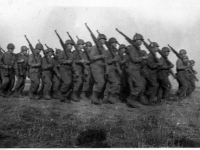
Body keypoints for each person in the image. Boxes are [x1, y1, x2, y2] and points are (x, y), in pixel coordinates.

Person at [124, 34, 148, 108]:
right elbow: (134, 59)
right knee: (139, 85)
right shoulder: (132, 48)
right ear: (135, 40)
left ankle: (134, 99)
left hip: (136, 69)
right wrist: (143, 58)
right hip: (132, 69)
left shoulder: (137, 48)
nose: (141, 42)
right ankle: (131, 99)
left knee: (141, 85)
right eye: (139, 40)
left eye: (141, 40)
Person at [89, 34, 107, 105]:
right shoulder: (95, 47)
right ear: (99, 40)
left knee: (100, 83)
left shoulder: (103, 48)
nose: (104, 40)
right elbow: (91, 57)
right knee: (100, 82)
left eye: (104, 39)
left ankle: (95, 98)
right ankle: (94, 98)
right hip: (95, 67)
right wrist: (100, 56)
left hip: (101, 68)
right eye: (102, 39)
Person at [103, 37, 121, 104]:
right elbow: (106, 61)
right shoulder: (107, 51)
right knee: (115, 83)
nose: (115, 44)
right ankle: (110, 96)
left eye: (115, 43)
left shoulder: (115, 52)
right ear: (110, 44)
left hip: (114, 69)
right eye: (113, 43)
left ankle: (105, 97)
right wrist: (113, 60)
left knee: (109, 84)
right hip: (109, 69)